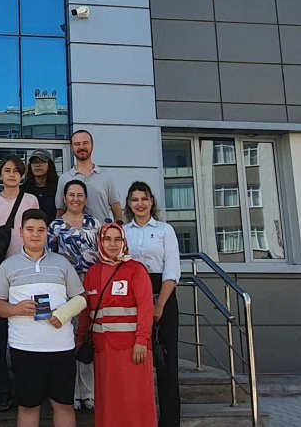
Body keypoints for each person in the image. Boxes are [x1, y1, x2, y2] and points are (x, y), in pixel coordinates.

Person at [0, 209, 86, 427]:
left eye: (41, 230)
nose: (35, 234)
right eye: (30, 229)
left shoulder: (62, 263)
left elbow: (81, 298)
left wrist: (64, 313)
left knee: (64, 405)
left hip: (61, 348)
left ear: (47, 233)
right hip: (25, 349)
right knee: (28, 406)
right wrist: (15, 309)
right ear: (21, 232)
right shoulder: (8, 266)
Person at [80, 223, 156, 427]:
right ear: (100, 242)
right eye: (107, 239)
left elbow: (146, 307)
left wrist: (142, 340)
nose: (112, 244)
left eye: (117, 239)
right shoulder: (93, 273)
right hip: (103, 351)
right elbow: (86, 313)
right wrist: (79, 342)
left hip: (133, 350)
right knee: (109, 403)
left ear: (124, 242)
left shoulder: (136, 270)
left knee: (135, 401)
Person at [0, 156, 39, 413]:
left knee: (28, 325)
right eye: (7, 170)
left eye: (17, 171)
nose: (12, 174)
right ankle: (3, 390)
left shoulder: (31, 200)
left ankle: (27, 389)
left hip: (26, 268)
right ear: (0, 174)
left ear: (22, 175)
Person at [123, 182, 181, 427]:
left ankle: (169, 421)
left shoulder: (165, 230)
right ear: (129, 204)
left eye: (144, 199)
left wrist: (159, 306)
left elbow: (172, 272)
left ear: (152, 201)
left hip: (162, 295)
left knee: (167, 364)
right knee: (135, 362)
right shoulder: (123, 231)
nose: (140, 204)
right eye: (135, 199)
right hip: (132, 297)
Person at [49, 179, 100, 411]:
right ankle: (73, 393)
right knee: (69, 340)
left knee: (87, 338)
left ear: (85, 199)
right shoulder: (55, 226)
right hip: (66, 290)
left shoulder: (95, 224)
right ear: (65, 198)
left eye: (80, 195)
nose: (76, 199)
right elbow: (50, 258)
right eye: (71, 195)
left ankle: (88, 393)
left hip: (91, 288)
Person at [54, 130, 124, 223]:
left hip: (101, 231)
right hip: (73, 231)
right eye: (77, 144)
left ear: (92, 145)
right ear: (71, 147)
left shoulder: (106, 176)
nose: (81, 147)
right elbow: (60, 212)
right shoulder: (64, 179)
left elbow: (117, 212)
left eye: (85, 143)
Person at [25, 151, 60, 219]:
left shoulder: (58, 188)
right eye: (34, 162)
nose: (37, 165)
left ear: (49, 165)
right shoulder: (24, 189)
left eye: (42, 162)